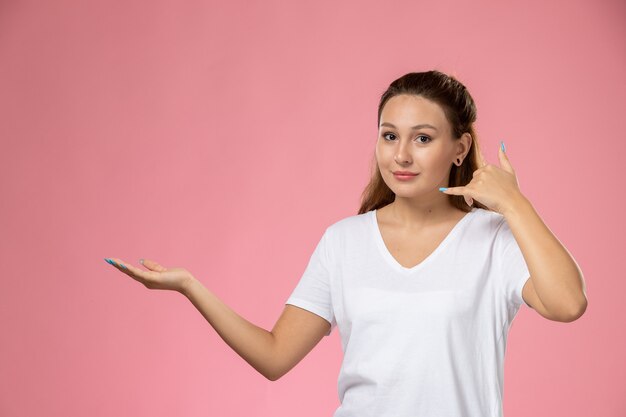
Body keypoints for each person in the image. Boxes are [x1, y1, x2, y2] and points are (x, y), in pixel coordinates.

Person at [104, 70, 588, 417]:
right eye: (389, 135)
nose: (400, 154)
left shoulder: (491, 238)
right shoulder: (344, 242)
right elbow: (275, 356)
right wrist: (191, 286)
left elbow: (568, 304)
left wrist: (515, 204)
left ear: (459, 148)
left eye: (422, 138)